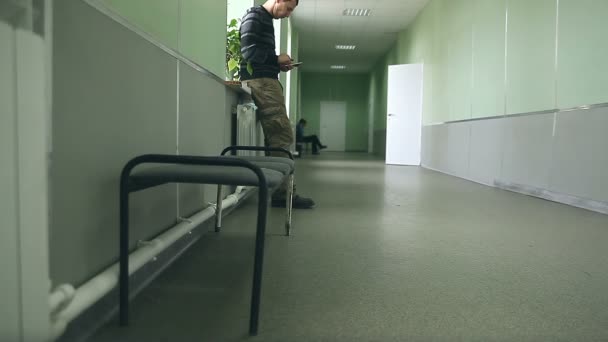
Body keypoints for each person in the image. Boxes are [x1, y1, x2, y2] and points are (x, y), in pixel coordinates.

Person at [240, 0, 315, 209]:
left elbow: (257, 55)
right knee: (282, 136)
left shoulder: (264, 19)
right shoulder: (255, 16)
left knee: (278, 137)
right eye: (288, 8)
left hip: (266, 80)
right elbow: (248, 52)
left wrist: (279, 64)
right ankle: (283, 195)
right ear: (278, 0)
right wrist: (276, 59)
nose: (288, 14)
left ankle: (281, 191)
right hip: (263, 83)